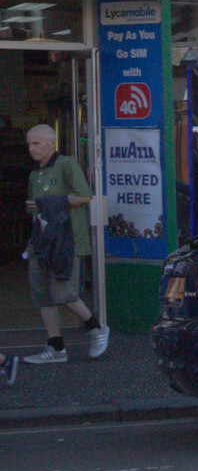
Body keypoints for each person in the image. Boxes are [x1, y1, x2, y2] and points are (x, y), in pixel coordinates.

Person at [21, 124, 108, 363]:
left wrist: (49, 203)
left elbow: (85, 196)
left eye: (36, 143)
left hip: (66, 241)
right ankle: (56, 348)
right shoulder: (34, 174)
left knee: (64, 292)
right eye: (29, 144)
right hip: (41, 241)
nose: (32, 149)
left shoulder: (67, 164)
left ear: (51, 143)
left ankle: (97, 328)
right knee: (42, 296)